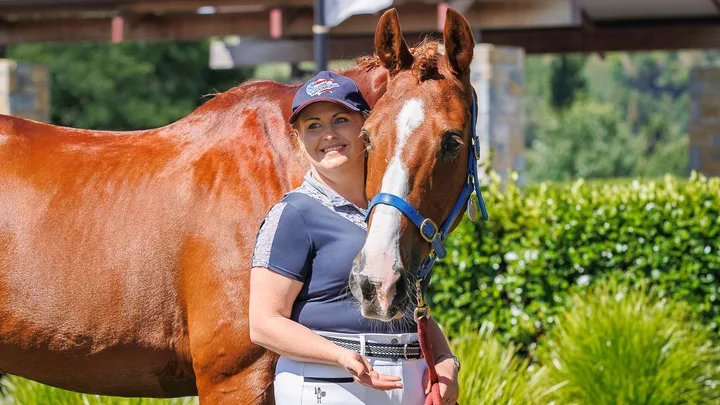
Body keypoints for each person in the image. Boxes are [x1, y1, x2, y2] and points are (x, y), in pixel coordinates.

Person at [249, 71, 460, 405]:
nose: (328, 134)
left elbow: (413, 307)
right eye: (313, 125)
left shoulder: (393, 218)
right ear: (299, 139)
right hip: (329, 385)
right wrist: (340, 357)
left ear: (366, 125)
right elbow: (263, 323)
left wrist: (448, 364)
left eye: (340, 119)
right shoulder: (293, 214)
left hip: (408, 385)